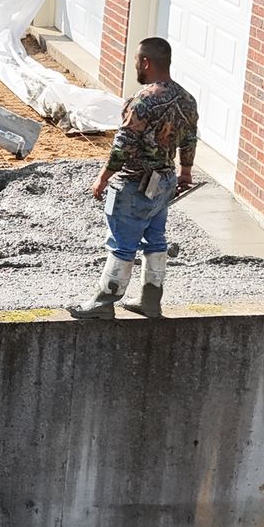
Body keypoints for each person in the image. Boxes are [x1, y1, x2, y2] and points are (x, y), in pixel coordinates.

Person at [71, 37, 198, 319]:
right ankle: (151, 301)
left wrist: (103, 177)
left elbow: (123, 145)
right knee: (155, 240)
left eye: (136, 62)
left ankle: (104, 303)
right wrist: (185, 171)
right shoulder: (187, 100)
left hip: (135, 184)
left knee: (122, 243)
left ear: (145, 62)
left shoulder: (142, 101)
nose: (135, 67)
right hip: (164, 183)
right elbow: (189, 139)